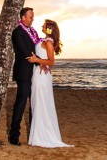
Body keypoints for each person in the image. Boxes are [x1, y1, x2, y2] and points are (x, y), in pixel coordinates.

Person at [27, 19, 73, 148]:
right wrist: (41, 61)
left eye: (44, 25)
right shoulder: (44, 40)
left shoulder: (48, 42)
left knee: (40, 103)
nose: (42, 26)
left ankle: (41, 137)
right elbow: (45, 59)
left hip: (41, 76)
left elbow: (51, 61)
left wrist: (37, 59)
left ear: (49, 29)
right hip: (39, 72)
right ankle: (38, 136)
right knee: (38, 103)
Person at [9, 7, 38, 146]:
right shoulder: (17, 32)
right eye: (31, 17)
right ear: (23, 18)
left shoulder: (33, 32)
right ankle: (14, 136)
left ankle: (33, 136)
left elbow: (36, 47)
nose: (33, 19)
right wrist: (42, 61)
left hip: (35, 73)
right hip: (23, 72)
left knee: (34, 104)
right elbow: (26, 51)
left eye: (33, 16)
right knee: (21, 103)